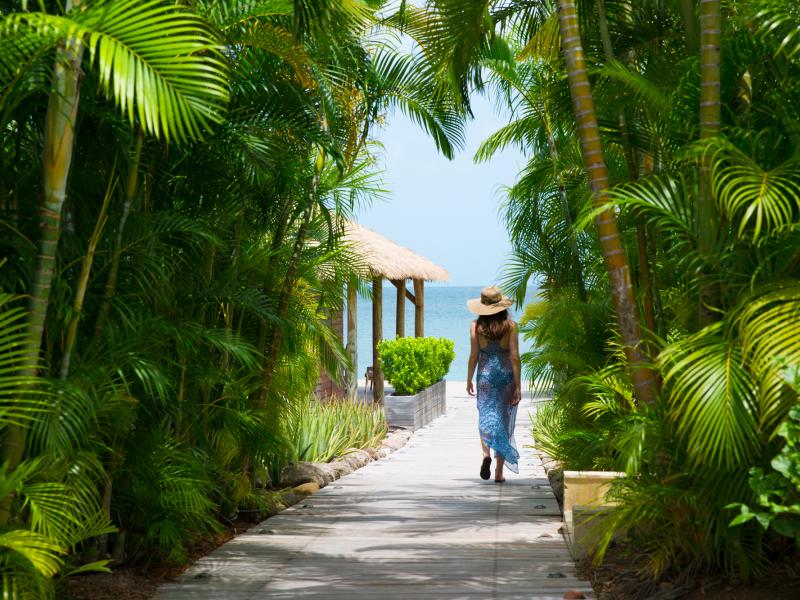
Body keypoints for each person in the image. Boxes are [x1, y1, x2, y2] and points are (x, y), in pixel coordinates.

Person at [466, 286, 522, 482]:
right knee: (503, 420)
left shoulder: (475, 326)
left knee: (486, 415)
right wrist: (518, 385)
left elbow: (474, 356)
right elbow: (514, 357)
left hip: (485, 378)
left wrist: (468, 379)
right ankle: (499, 473)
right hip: (506, 377)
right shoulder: (511, 326)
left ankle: (485, 454)